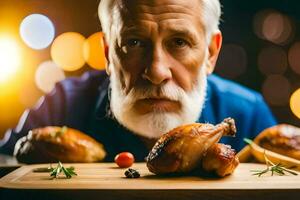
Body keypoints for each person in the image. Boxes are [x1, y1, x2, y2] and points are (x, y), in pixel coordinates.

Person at [0, 0, 276, 161]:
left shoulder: (249, 115)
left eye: (179, 42)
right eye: (133, 42)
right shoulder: (62, 106)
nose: (156, 71)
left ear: (210, 54)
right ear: (108, 53)